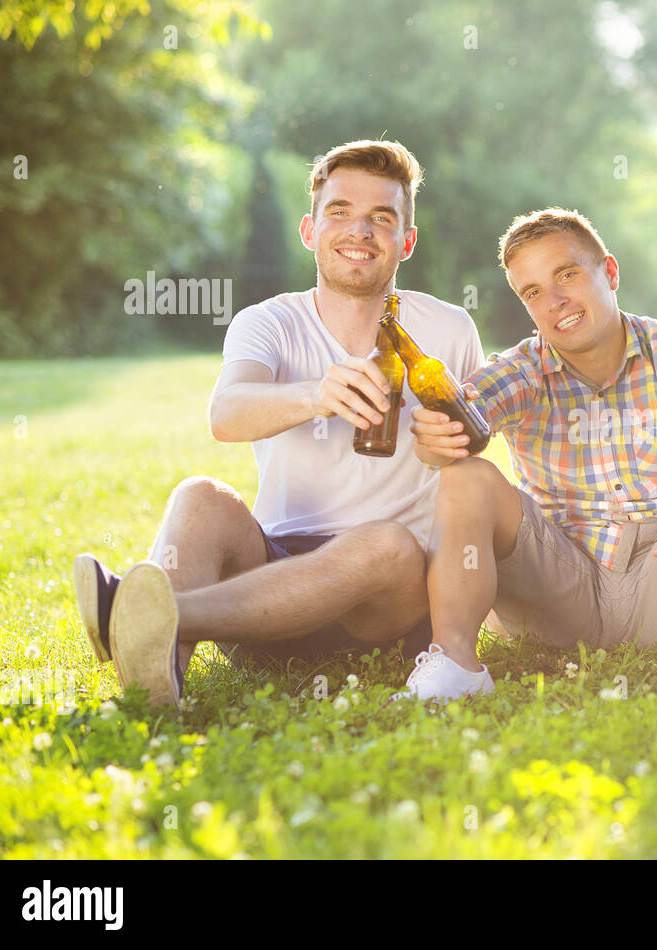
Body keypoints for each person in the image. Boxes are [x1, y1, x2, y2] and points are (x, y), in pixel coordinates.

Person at [72, 139, 484, 710]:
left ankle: (148, 614)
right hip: (268, 585)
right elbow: (227, 413)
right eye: (339, 212)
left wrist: (450, 448)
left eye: (381, 218)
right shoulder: (267, 322)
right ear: (310, 231)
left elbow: (477, 446)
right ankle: (155, 683)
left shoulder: (449, 328)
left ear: (406, 241)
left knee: (386, 544)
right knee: (201, 495)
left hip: (386, 602)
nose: (359, 231)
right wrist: (317, 394)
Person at [400, 207, 657, 702]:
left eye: (567, 274)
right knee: (464, 476)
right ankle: (455, 664)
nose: (556, 301)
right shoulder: (522, 370)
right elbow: (461, 421)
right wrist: (435, 441)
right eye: (533, 292)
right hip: (559, 593)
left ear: (611, 272)